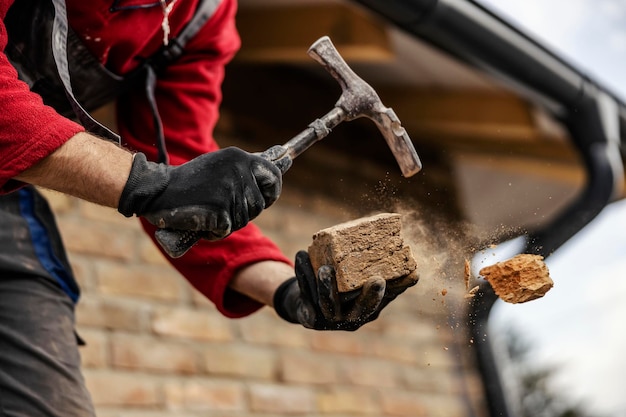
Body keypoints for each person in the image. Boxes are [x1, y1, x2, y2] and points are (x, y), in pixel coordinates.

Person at [0, 0, 420, 415]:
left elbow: (183, 173)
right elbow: (163, 183)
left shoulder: (203, 15)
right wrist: (152, 184)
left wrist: (290, 291)